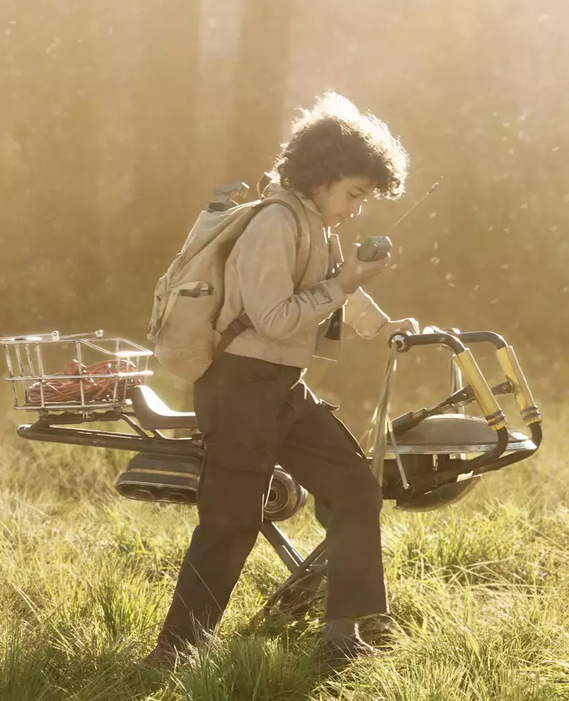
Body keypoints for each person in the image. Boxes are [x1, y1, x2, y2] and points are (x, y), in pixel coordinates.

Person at [147, 93, 420, 668]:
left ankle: (343, 637)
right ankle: (173, 654)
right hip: (238, 385)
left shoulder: (313, 223)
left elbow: (334, 284)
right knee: (231, 523)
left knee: (355, 490)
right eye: (353, 194)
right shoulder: (274, 223)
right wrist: (344, 285)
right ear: (321, 176)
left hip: (281, 388)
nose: (355, 210)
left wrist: (381, 325)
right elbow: (274, 318)